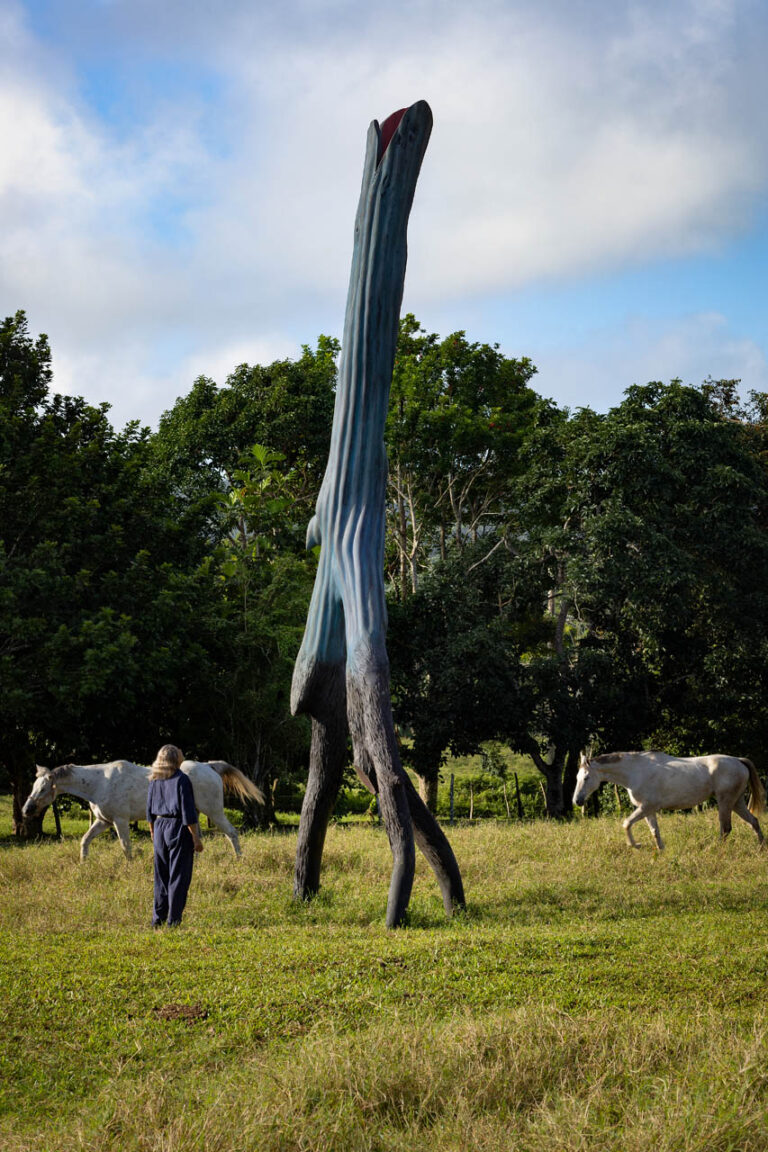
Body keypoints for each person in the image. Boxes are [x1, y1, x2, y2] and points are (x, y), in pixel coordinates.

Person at [146, 744, 203, 928]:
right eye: (180, 752)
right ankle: (174, 920)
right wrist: (195, 837)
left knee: (161, 876)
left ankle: (157, 919)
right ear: (175, 758)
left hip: (160, 826)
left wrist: (153, 832)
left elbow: (149, 810)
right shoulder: (182, 779)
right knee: (178, 876)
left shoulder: (154, 780)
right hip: (177, 826)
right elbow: (188, 812)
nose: (182, 753)